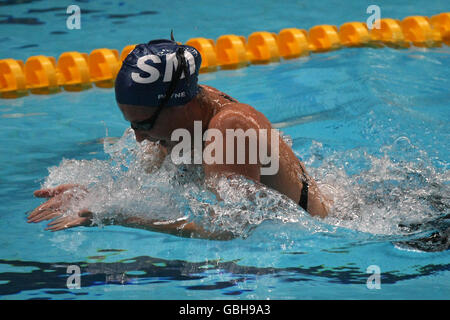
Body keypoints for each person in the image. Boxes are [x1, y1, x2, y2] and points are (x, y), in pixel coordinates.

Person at [28, 39, 331, 240]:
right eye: (132, 125)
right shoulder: (187, 111)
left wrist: (120, 216)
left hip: (319, 234)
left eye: (144, 124)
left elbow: (230, 230)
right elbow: (147, 183)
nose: (138, 138)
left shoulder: (230, 127)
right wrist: (93, 197)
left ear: (182, 105)